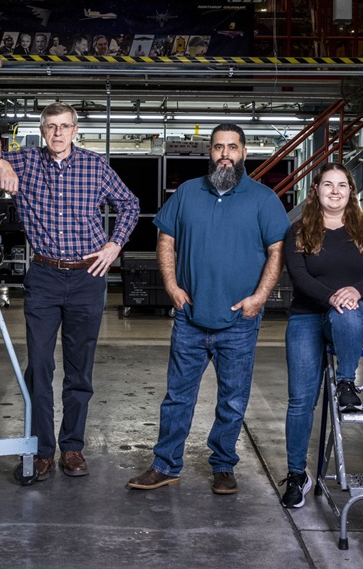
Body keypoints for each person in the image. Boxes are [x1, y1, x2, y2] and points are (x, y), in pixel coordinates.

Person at [126, 124, 289, 495]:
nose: (225, 153)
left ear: (245, 153)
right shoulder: (186, 193)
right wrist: (171, 286)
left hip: (239, 321)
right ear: (210, 153)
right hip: (190, 318)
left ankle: (223, 466)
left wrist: (259, 298)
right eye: (218, 147)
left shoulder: (263, 199)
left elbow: (276, 252)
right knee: (177, 397)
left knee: (232, 400)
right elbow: (165, 238)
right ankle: (165, 465)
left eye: (232, 147)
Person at [0, 103, 139, 482]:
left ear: (75, 131)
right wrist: (0, 163)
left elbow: (129, 204)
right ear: (42, 131)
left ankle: (72, 447)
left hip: (87, 277)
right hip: (43, 275)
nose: (58, 133)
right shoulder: (24, 161)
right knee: (39, 366)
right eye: (50, 127)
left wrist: (113, 246)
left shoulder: (95, 166)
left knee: (79, 368)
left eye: (64, 127)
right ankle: (40, 450)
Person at [280, 162, 363, 508]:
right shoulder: (298, 231)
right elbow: (299, 278)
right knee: (300, 401)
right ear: (317, 191)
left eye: (342, 185)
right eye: (328, 184)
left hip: (360, 314)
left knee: (348, 313)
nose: (335, 191)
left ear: (351, 192)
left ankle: (346, 382)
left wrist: (352, 292)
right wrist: (332, 296)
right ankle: (297, 475)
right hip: (309, 316)